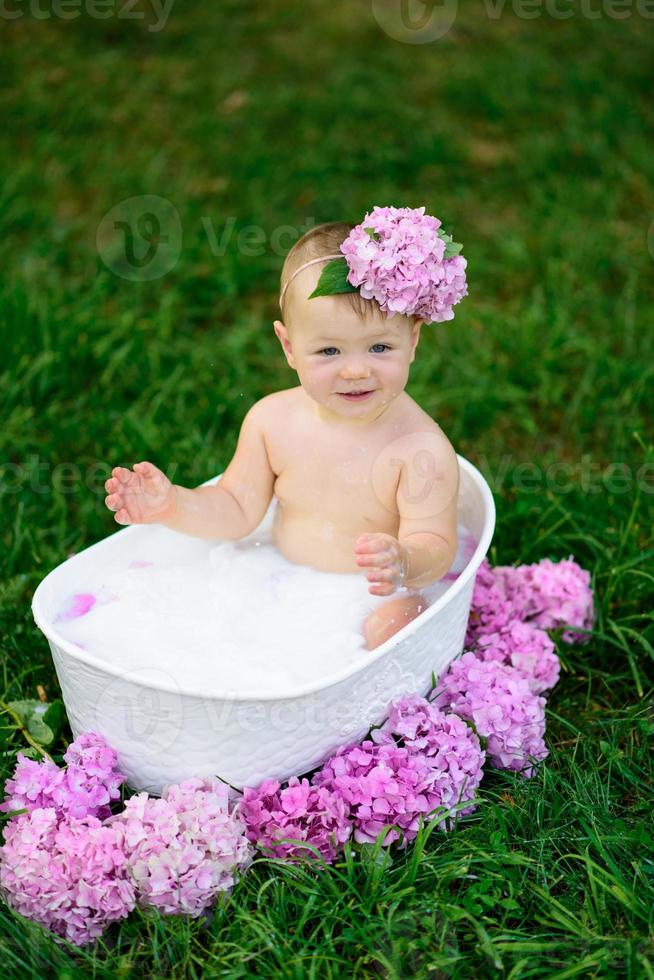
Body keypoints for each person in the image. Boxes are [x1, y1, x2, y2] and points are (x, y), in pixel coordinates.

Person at [104, 206, 468, 651]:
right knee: (210, 624)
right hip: (280, 577)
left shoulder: (419, 449)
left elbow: (434, 544)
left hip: (380, 592)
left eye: (378, 347)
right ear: (289, 346)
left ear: (412, 340)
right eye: (329, 351)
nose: (355, 371)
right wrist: (173, 504)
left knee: (394, 628)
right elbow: (236, 508)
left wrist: (405, 561)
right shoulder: (271, 422)